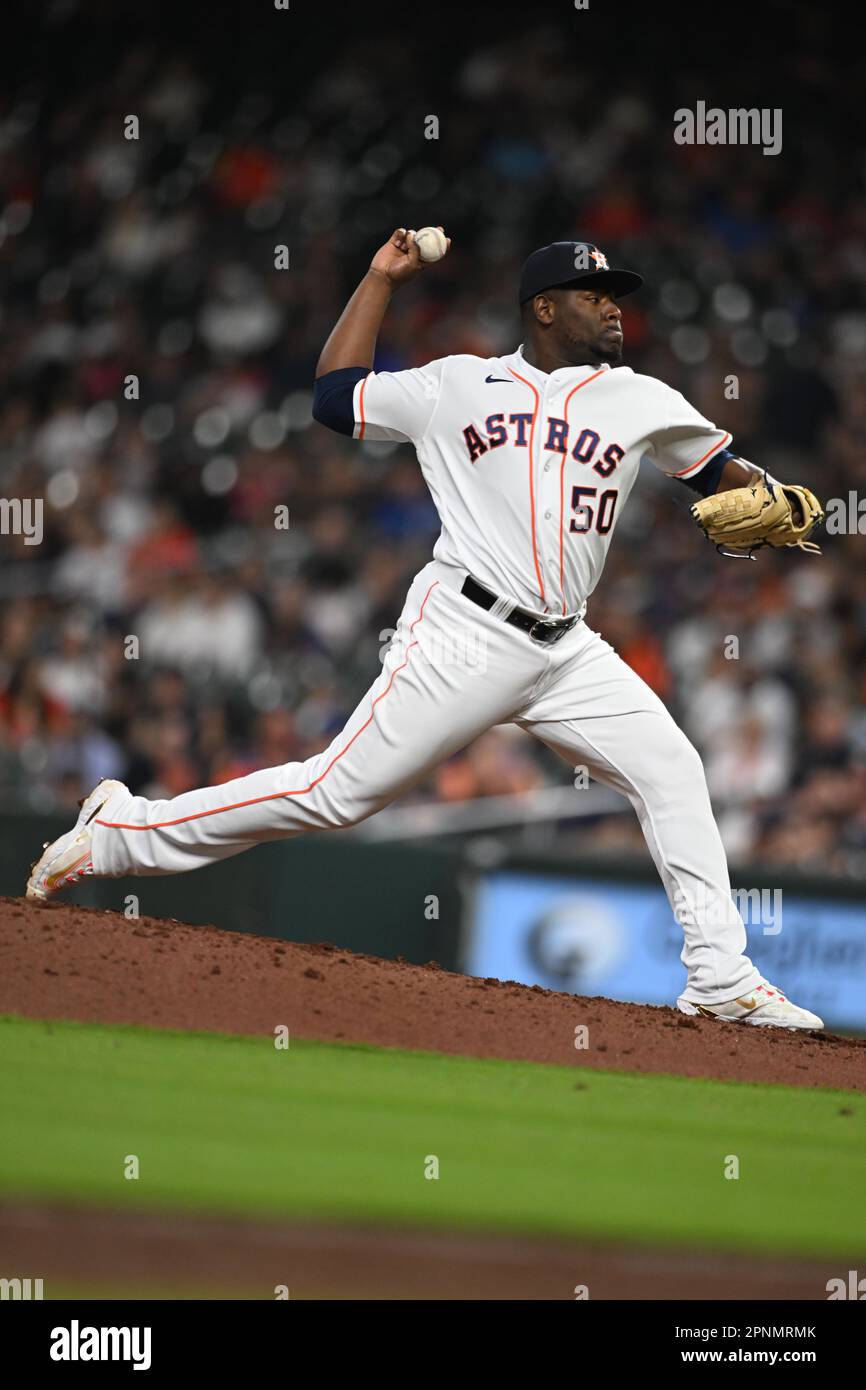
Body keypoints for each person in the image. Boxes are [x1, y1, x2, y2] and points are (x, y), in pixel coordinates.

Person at [27, 230, 824, 1030]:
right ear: (543, 308)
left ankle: (720, 977)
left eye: (616, 293)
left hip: (569, 647)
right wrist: (379, 279)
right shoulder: (457, 384)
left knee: (673, 771)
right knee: (335, 794)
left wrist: (772, 492)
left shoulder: (643, 399)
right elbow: (335, 396)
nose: (613, 307)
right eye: (595, 294)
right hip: (466, 630)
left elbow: (722, 476)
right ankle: (121, 835)